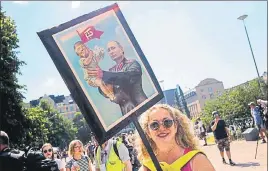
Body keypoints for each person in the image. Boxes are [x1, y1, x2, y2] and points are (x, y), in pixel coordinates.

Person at [136, 104, 215, 171]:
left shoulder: (197, 160)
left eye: (167, 122)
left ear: (176, 126)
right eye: (154, 125)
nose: (161, 128)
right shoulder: (147, 168)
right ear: (148, 132)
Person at [88, 40, 148, 115]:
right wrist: (99, 82)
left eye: (113, 48)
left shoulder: (132, 63)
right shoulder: (111, 71)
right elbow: (107, 93)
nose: (111, 52)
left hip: (143, 108)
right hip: (127, 113)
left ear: (121, 49)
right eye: (109, 50)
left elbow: (127, 78)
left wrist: (103, 74)